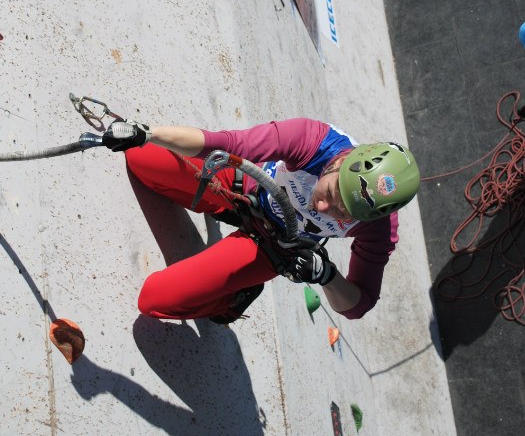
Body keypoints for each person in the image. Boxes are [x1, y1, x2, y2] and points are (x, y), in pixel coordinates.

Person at [101, 116, 420, 325]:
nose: (323, 207)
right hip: (246, 190)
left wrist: (326, 276)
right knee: (141, 156)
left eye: (342, 213)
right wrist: (146, 133)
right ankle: (217, 207)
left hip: (273, 246)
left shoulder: (379, 228)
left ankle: (231, 298)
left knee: (154, 298)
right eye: (331, 192)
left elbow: (358, 304)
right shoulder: (315, 140)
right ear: (342, 163)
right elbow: (223, 143)